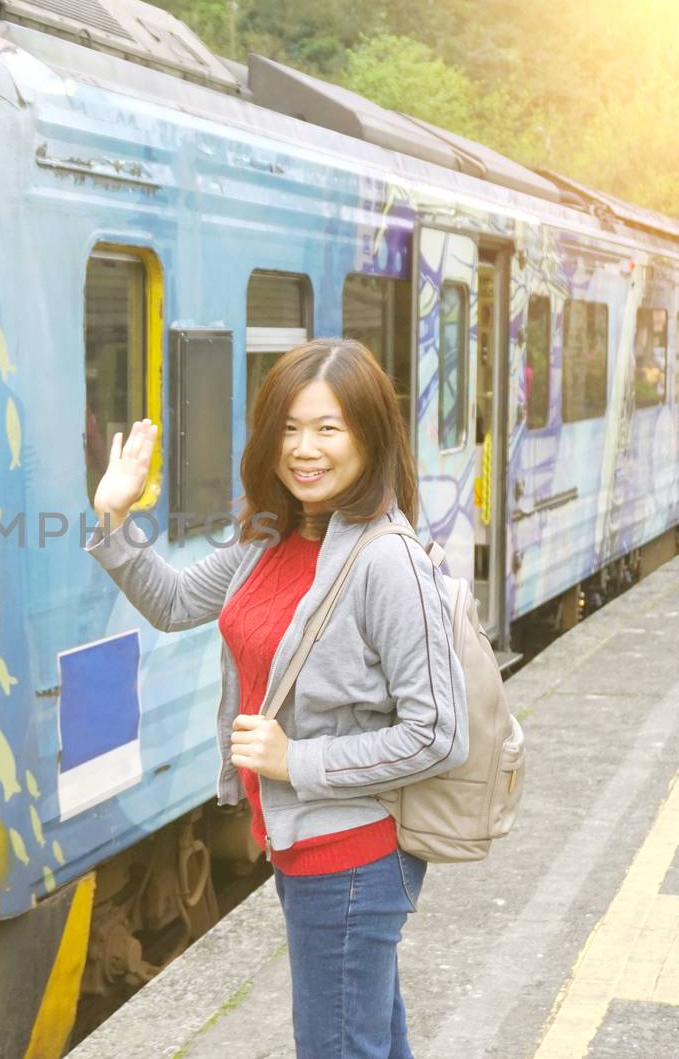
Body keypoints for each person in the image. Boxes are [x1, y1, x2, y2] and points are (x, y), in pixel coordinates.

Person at [84, 340, 468, 1059]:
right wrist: (114, 519)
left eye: (329, 428)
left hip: (354, 854)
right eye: (289, 428)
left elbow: (439, 733)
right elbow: (171, 602)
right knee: (371, 1042)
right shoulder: (271, 536)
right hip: (302, 844)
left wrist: (296, 758)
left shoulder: (386, 559)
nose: (305, 449)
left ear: (370, 435)